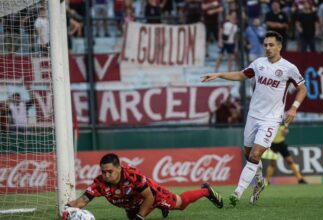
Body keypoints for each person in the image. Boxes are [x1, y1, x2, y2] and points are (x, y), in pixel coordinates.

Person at [201, 31, 307, 206]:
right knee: (248, 153)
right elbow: (241, 75)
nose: (267, 48)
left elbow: (302, 89)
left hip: (272, 119)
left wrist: (294, 109)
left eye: (271, 45)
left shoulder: (289, 68)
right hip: (253, 115)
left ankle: (238, 191)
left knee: (256, 153)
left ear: (279, 46)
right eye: (265, 45)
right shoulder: (258, 64)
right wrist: (219, 74)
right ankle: (259, 182)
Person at [62, 153, 223, 220]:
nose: (106, 175)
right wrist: (67, 209)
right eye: (103, 172)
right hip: (132, 202)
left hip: (153, 194)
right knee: (132, 216)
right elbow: (82, 201)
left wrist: (140, 218)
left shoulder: (133, 177)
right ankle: (160, 208)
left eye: (110, 171)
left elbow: (149, 197)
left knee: (180, 204)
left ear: (119, 168)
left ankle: (205, 191)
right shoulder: (100, 183)